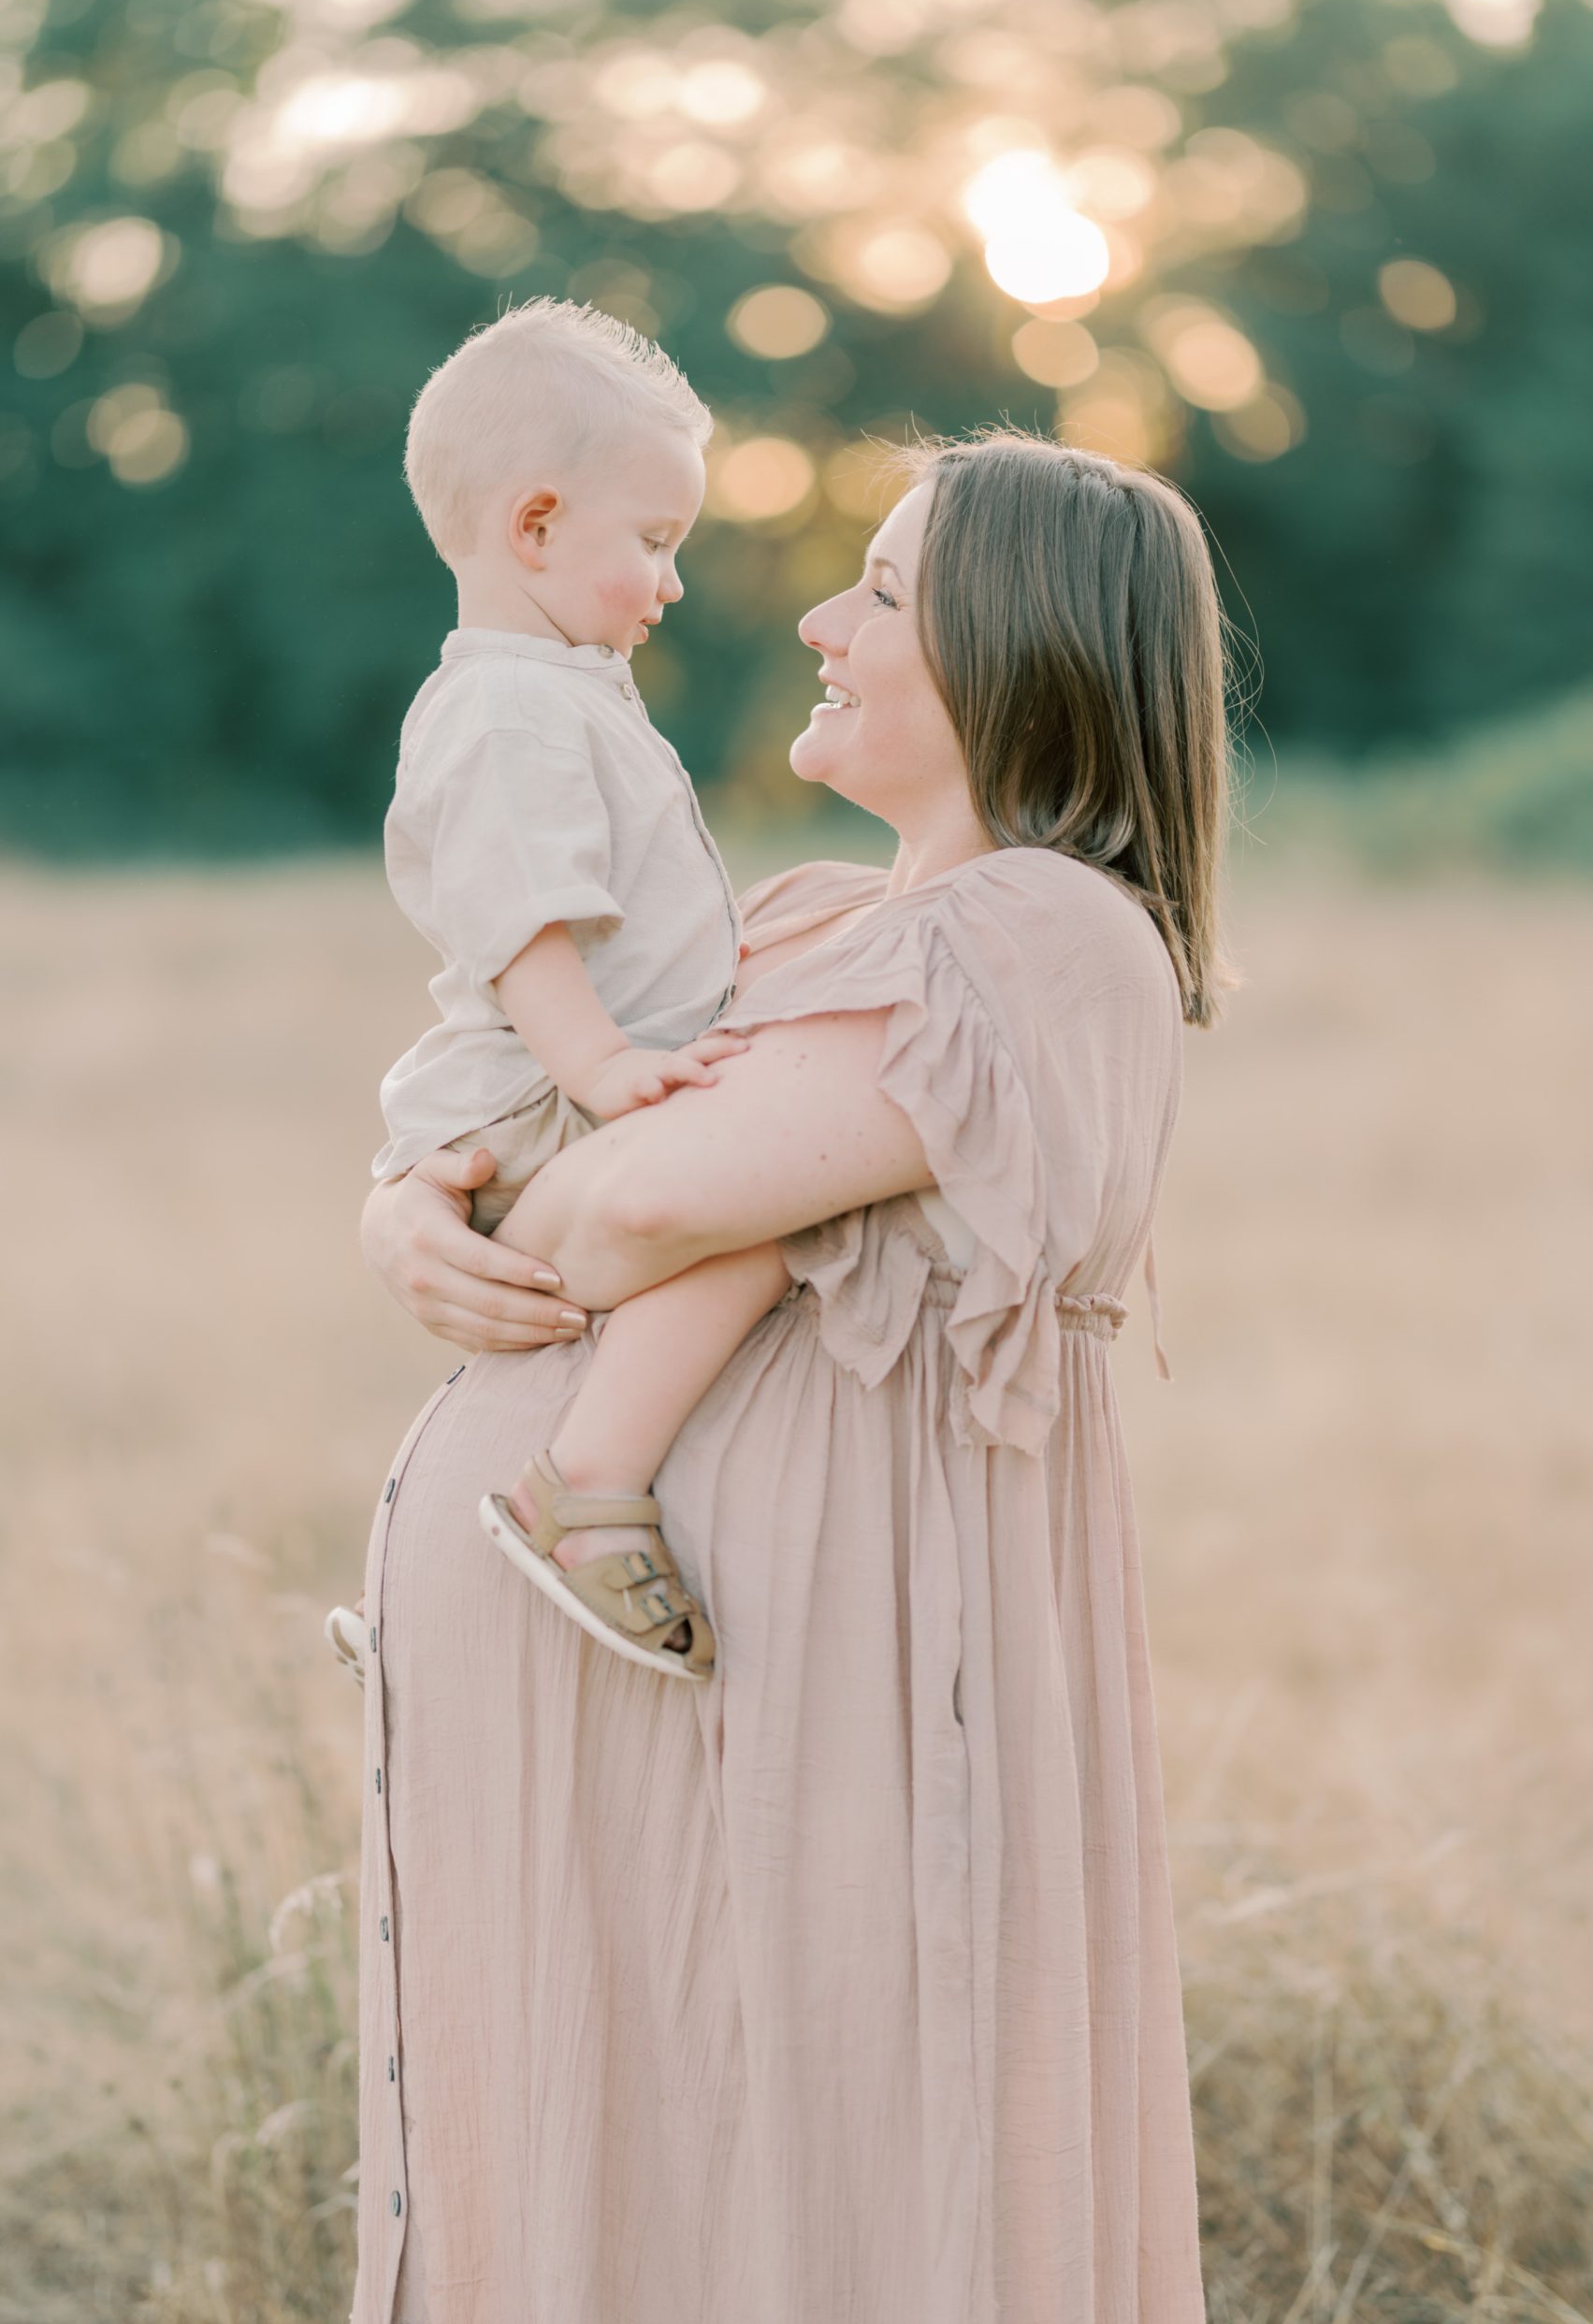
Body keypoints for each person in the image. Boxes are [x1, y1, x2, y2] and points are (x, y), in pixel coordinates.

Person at [351, 430, 1227, 2324]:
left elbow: (631, 1198)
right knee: (656, 2157)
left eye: (889, 592)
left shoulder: (1042, 927)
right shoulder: (818, 920)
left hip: (842, 1680)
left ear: (1024, 647)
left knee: (825, 2173)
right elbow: (543, 1132)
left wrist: (535, 1209)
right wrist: (407, 1206)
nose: (826, 621)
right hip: (665, 1683)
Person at [329, 297, 804, 1688]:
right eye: (653, 544)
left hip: (573, 1071)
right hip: (542, 1089)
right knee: (749, 1222)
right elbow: (521, 923)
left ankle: (526, 1515)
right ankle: (583, 1486)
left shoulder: (562, 687)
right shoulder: (506, 707)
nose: (668, 583)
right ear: (535, 527)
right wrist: (602, 1071)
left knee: (744, 1223)